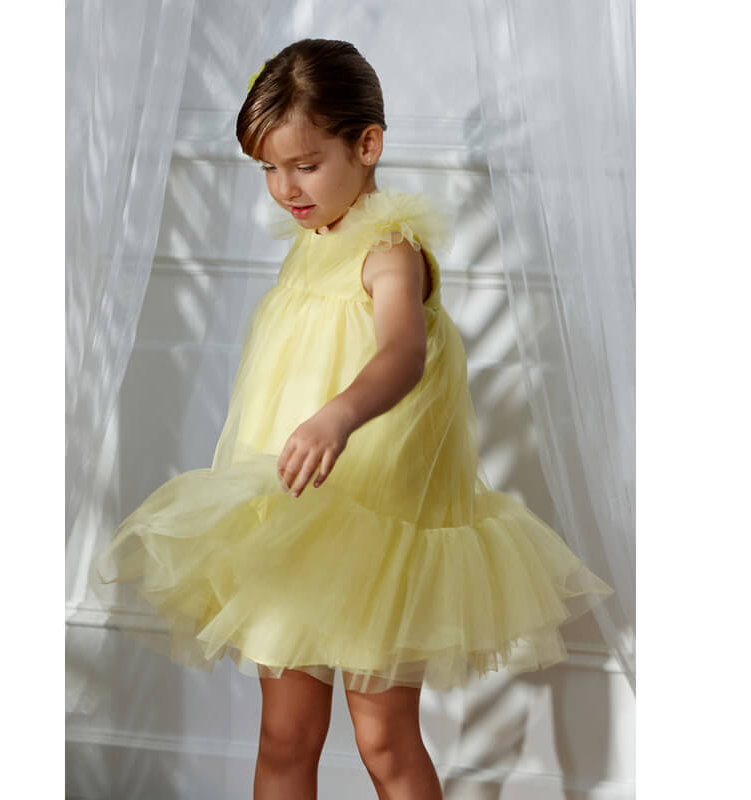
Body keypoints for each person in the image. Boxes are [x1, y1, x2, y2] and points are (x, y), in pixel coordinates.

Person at [89, 38, 615, 800]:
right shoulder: (311, 243)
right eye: (269, 169)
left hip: (380, 527)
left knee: (383, 740)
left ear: (367, 145)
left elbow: (402, 354)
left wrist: (337, 417)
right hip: (294, 516)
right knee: (284, 735)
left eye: (305, 165)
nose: (285, 188)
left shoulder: (390, 251)